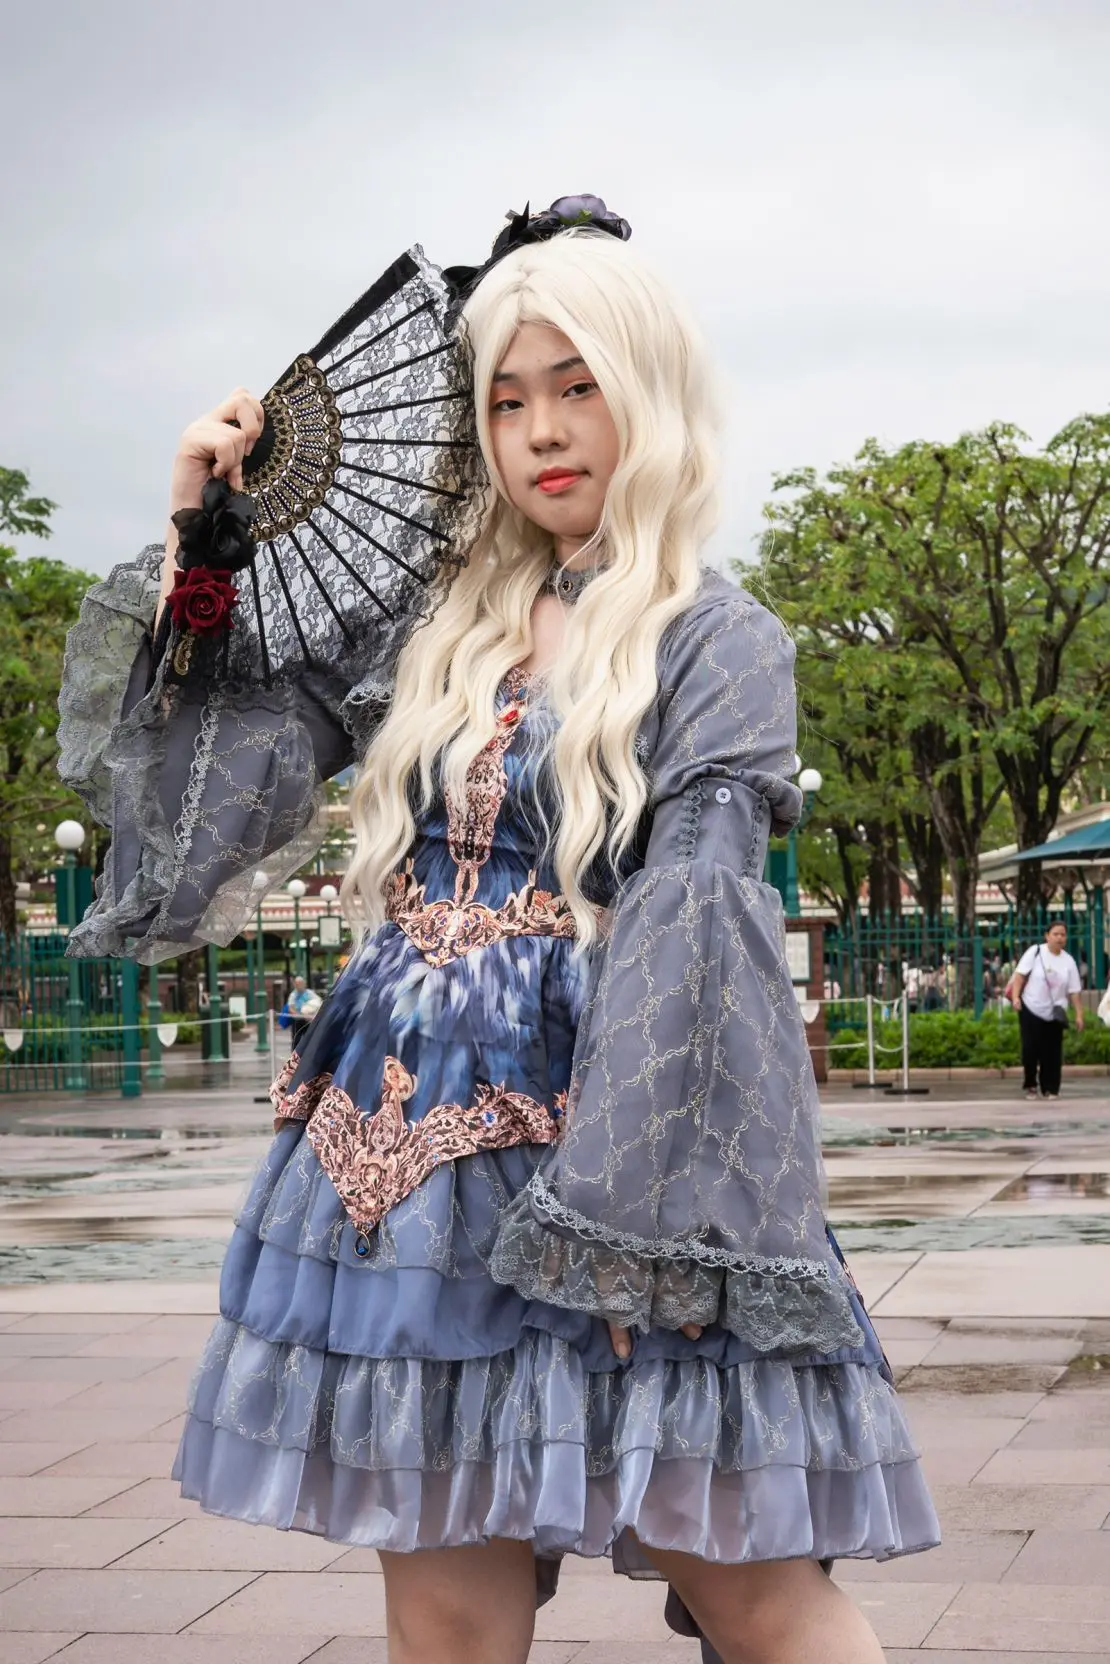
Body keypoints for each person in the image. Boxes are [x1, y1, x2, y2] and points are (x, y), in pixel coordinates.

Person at [58, 199, 938, 1664]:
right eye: (508, 398)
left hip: (616, 1145)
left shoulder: (720, 640)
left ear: (647, 391)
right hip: (390, 1160)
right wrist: (194, 528)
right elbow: (211, 800)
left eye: (577, 385)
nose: (543, 431)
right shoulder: (431, 630)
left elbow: (696, 941)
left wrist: (625, 1232)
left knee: (746, 1578)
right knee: (443, 1583)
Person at [1010, 922, 1085, 1100]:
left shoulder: (1068, 961)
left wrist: (1079, 1015)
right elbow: (1019, 977)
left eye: (1063, 935)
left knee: (1052, 1052)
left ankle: (1051, 1087)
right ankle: (1030, 1085)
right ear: (1047, 936)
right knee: (1030, 1049)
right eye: (1056, 934)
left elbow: (1074, 991)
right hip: (1031, 1008)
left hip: (1055, 1012)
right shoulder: (1035, 953)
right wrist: (1015, 998)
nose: (1060, 938)